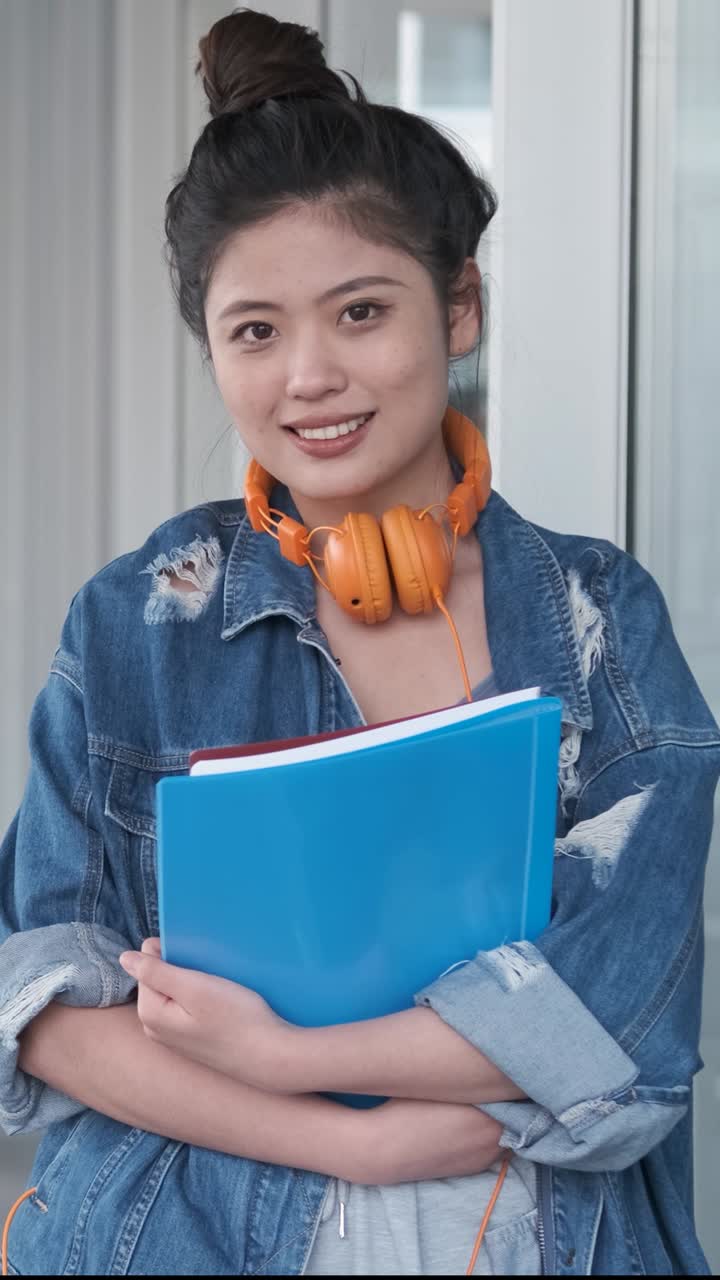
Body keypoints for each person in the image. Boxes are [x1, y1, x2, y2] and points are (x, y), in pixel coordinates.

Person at [1, 8, 719, 1276]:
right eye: (256, 330)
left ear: (460, 307)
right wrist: (352, 1135)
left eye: (361, 311)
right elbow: (42, 1001)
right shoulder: (135, 620)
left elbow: (616, 1021)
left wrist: (283, 1051)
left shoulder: (599, 619)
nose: (309, 376)